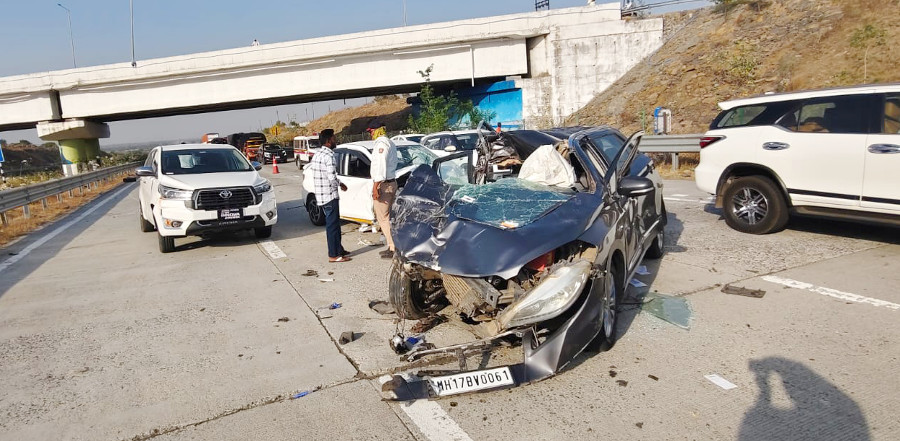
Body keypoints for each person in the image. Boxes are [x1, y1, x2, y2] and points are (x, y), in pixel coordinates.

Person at [308, 129, 351, 262]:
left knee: (334, 224)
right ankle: (334, 255)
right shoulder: (329, 156)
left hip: (321, 195)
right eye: (334, 138)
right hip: (330, 196)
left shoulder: (317, 155)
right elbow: (332, 178)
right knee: (332, 226)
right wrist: (341, 184)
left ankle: (338, 249)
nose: (335, 140)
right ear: (328, 141)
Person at [370, 136, 398, 259]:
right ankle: (393, 245)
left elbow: (381, 166)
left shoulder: (381, 144)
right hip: (391, 183)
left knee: (383, 218)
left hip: (384, 185)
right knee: (389, 217)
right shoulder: (390, 142)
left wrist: (375, 186)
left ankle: (393, 247)